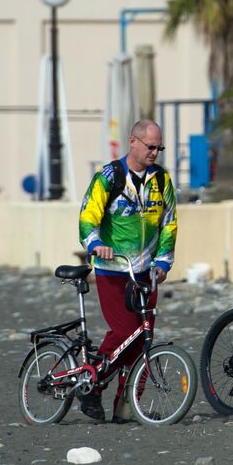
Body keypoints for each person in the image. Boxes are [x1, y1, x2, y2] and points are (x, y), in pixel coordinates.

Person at [76, 119, 176, 423]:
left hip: (146, 273)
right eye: (150, 146)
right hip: (113, 269)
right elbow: (86, 217)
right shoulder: (109, 176)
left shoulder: (162, 180)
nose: (155, 152)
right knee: (124, 332)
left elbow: (169, 223)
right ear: (133, 142)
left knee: (143, 338)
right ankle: (91, 384)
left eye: (159, 147)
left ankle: (126, 404)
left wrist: (163, 262)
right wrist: (95, 244)